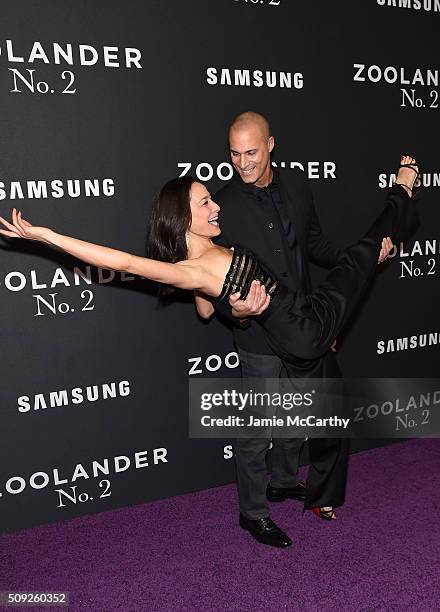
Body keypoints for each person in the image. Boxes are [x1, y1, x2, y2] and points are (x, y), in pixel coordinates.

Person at [0, 158, 419, 549]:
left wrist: (226, 303)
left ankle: (397, 204)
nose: (216, 206)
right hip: (299, 331)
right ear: (184, 218)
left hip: (303, 319)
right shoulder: (189, 270)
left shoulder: (209, 255)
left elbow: (205, 306)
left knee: (362, 258)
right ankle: (402, 190)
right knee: (364, 254)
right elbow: (125, 260)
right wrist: (48, 237)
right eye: (206, 202)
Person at [198, 111, 396, 544]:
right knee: (256, 432)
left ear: (271, 145)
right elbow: (211, 281)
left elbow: (317, 246)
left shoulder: (298, 186)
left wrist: (362, 259)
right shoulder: (221, 207)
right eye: (234, 154)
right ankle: (253, 514)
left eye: (251, 152)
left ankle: (284, 481)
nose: (243, 163)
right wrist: (239, 312)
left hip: (303, 324)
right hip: (257, 334)